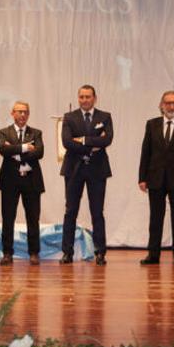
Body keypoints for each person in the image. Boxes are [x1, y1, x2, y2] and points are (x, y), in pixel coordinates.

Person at [138, 90, 174, 267]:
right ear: (162, 105)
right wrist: (142, 177)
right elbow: (145, 152)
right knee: (155, 217)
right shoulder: (152, 125)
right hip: (155, 178)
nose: (171, 106)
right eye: (168, 103)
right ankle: (153, 254)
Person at [60, 84, 113, 266]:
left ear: (94, 98)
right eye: (81, 97)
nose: (84, 100)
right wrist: (93, 144)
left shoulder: (104, 117)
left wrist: (82, 140)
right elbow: (67, 142)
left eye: (88, 97)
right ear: (78, 98)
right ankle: (67, 252)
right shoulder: (69, 117)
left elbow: (107, 139)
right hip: (74, 169)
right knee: (70, 211)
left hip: (97, 170)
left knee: (97, 212)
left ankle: (100, 252)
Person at [0, 101, 44, 266]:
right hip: (9, 181)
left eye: (25, 112)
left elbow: (39, 152)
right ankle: (7, 253)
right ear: (12, 113)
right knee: (8, 218)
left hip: (31, 181)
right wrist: (25, 148)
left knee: (33, 218)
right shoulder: (4, 132)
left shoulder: (36, 133)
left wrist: (15, 151)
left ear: (28, 114)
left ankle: (34, 252)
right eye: (19, 112)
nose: (22, 115)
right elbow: (3, 150)